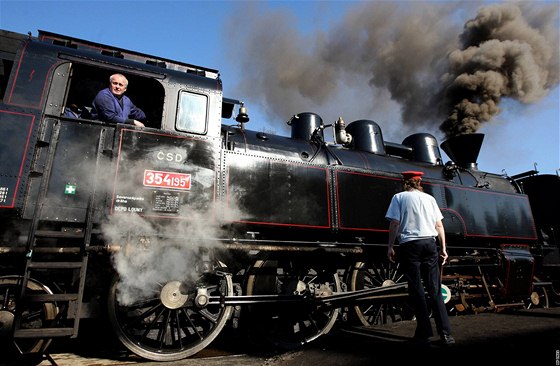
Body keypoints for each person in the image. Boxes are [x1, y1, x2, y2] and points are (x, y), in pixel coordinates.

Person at [385, 170, 455, 347]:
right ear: (419, 182)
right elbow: (439, 225)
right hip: (429, 244)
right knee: (435, 290)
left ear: (405, 182)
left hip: (410, 245)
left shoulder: (399, 197)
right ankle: (446, 335)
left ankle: (424, 333)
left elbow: (394, 223)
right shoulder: (430, 199)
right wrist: (444, 249)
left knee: (416, 290)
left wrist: (390, 247)